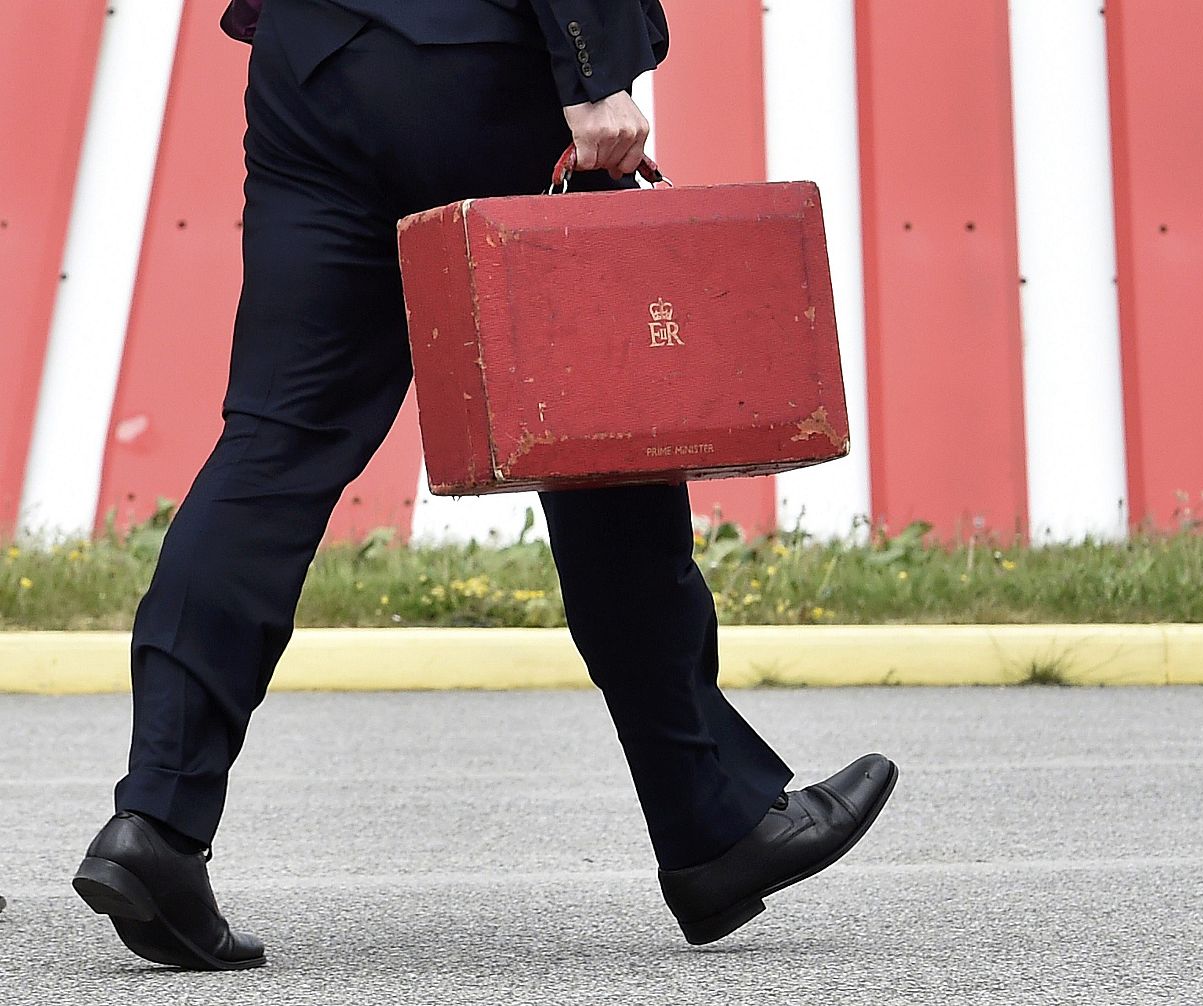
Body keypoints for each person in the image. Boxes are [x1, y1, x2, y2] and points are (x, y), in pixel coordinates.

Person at [70, 0, 897, 970]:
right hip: (481, 62)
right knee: (599, 442)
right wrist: (592, 73)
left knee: (272, 445)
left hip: (312, 66)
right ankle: (712, 818)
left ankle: (155, 823)